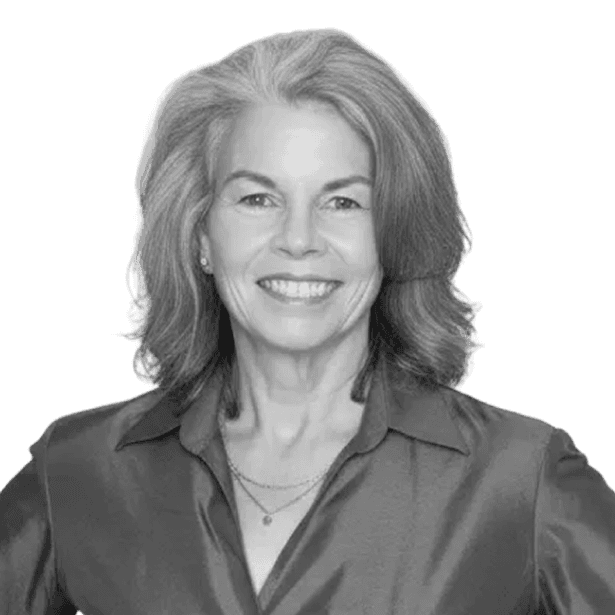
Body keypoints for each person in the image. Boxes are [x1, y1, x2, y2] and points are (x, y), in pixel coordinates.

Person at [1, 28, 614, 615]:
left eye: (343, 202)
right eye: (257, 198)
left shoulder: (521, 479)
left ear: (394, 235)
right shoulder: (79, 471)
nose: (298, 239)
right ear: (201, 235)